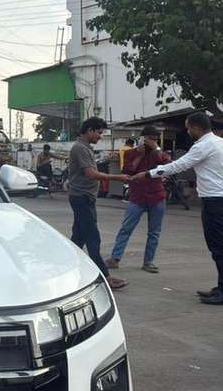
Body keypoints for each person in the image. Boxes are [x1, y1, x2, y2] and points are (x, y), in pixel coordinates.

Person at [132, 111, 223, 304]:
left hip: (214, 201)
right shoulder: (218, 142)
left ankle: (222, 291)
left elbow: (178, 166)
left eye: (188, 128)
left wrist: (148, 174)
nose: (187, 131)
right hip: (216, 199)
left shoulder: (203, 146)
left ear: (196, 128)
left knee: (217, 246)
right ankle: (220, 287)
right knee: (218, 245)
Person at [68, 117, 129, 291]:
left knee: (78, 238)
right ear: (90, 131)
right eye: (99, 133)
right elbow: (91, 174)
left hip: (84, 197)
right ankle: (105, 277)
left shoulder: (85, 147)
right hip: (82, 198)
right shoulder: (80, 148)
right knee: (92, 237)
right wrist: (117, 177)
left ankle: (68, 267)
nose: (100, 136)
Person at [105, 126, 170, 274]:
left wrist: (156, 149)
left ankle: (148, 262)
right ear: (142, 139)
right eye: (149, 139)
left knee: (154, 232)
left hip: (157, 196)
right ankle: (115, 258)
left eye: (155, 140)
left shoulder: (158, 154)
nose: (152, 142)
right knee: (126, 228)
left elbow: (166, 165)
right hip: (137, 197)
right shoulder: (130, 153)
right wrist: (140, 155)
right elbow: (127, 171)